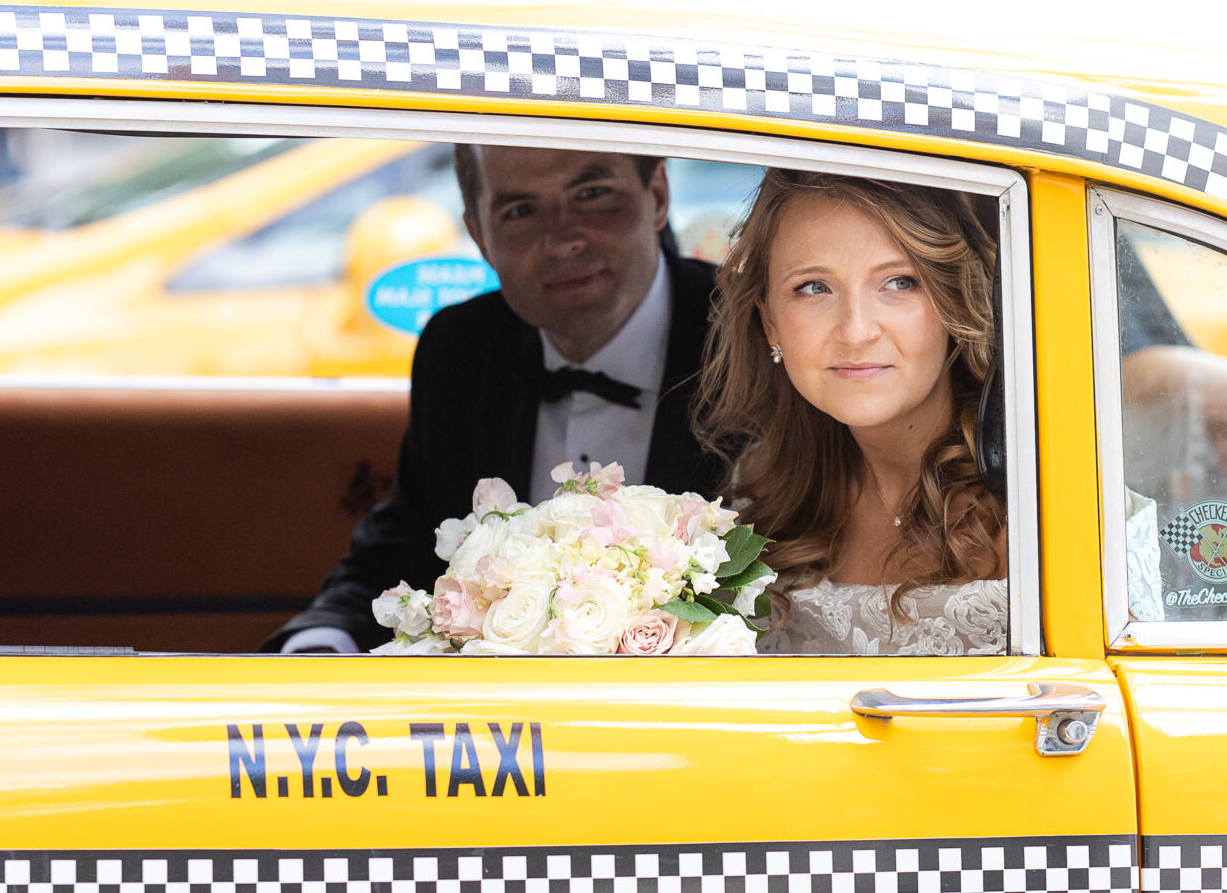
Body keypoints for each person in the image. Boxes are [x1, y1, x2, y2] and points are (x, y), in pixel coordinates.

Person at [271, 143, 723, 653]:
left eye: (592, 194)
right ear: (480, 236)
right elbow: (401, 553)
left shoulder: (749, 337)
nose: (561, 240)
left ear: (657, 195)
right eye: (521, 211)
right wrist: (319, 644)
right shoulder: (462, 348)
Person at [695, 166, 1010, 657]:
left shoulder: (1043, 498)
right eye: (814, 288)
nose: (856, 331)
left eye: (899, 282)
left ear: (954, 300)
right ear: (770, 323)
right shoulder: (759, 494)